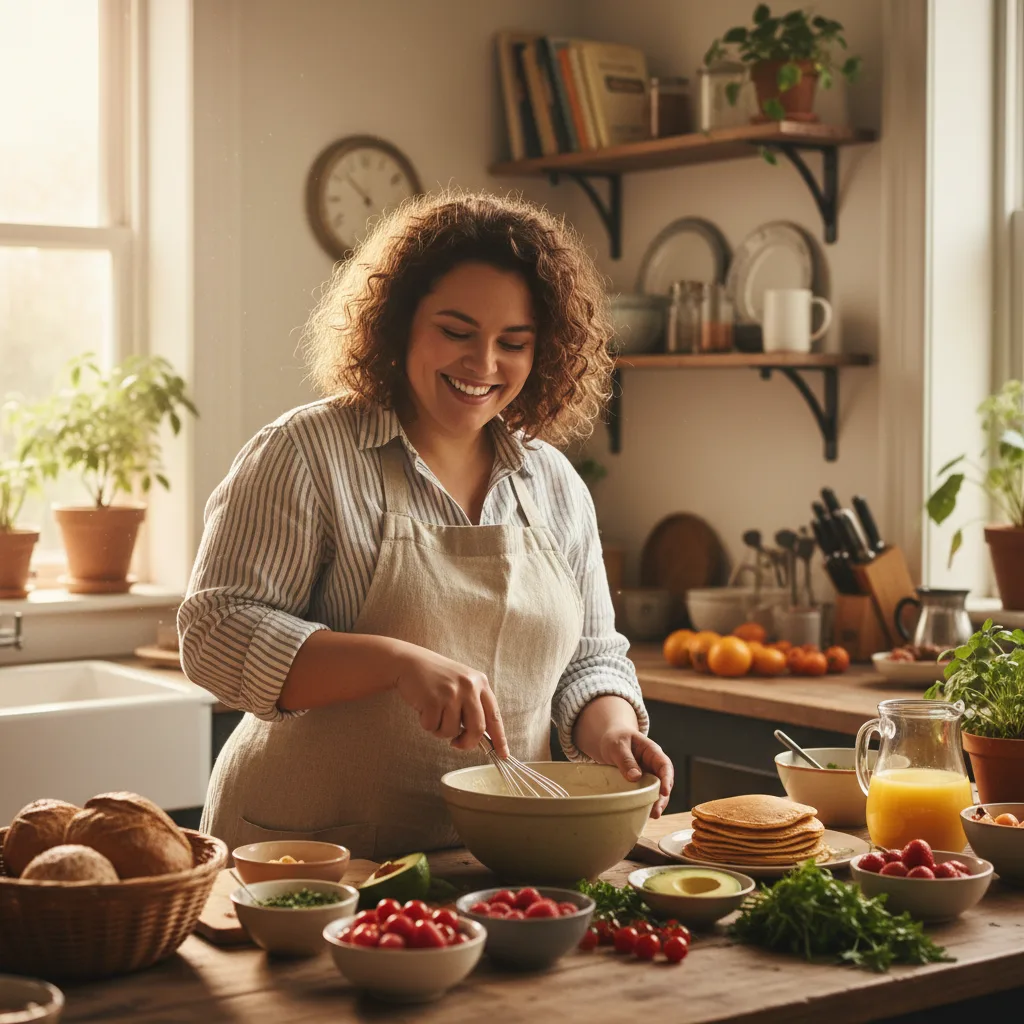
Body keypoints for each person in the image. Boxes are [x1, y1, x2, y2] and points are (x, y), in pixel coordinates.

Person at [178, 190, 674, 859]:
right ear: (399, 322)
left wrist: (610, 729)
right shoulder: (306, 453)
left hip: (495, 852)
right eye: (457, 331)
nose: (483, 364)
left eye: (514, 343)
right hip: (312, 857)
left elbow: (589, 657)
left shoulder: (553, 484)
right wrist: (393, 662)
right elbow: (215, 632)